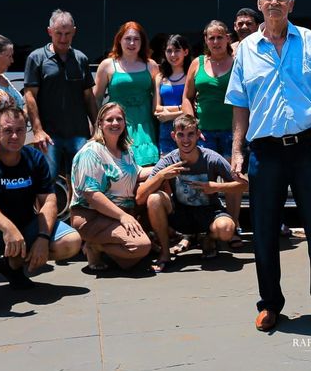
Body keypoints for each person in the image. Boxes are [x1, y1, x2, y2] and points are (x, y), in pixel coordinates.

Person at [225, 0, 311, 332]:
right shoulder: (245, 49)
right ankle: (270, 304)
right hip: (266, 150)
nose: (274, 2)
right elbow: (240, 104)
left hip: (309, 145)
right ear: (259, 4)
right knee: (263, 230)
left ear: (291, 5)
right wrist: (237, 150)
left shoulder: (310, 41)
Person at [0, 107, 81, 314]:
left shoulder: (34, 158)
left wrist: (42, 237)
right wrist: (7, 227)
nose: (14, 136)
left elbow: (48, 200)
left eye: (20, 130)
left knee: (71, 242)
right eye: (7, 130)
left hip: (23, 230)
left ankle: (12, 266)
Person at [137, 115, 247, 272]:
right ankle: (165, 252)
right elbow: (140, 197)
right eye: (181, 135)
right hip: (180, 213)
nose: (186, 140)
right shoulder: (168, 161)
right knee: (154, 199)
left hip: (209, 212)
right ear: (173, 136)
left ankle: (209, 238)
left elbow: (244, 185)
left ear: (198, 135)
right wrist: (162, 176)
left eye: (190, 134)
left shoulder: (212, 158)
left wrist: (216, 187)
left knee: (226, 229)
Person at [70, 102, 153, 270]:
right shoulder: (91, 152)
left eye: (119, 119)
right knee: (141, 246)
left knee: (131, 260)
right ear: (100, 123)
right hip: (92, 216)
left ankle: (107, 250)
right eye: (109, 119)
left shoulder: (125, 150)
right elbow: (92, 195)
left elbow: (137, 173)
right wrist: (123, 216)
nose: (115, 123)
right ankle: (94, 246)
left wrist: (165, 168)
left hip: (116, 214)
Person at [181, 20, 242, 249]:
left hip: (232, 132)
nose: (215, 42)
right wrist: (193, 127)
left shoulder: (237, 63)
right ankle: (204, 230)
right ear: (205, 40)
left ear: (228, 38)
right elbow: (187, 97)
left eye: (219, 37)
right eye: (211, 37)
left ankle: (233, 226)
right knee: (204, 183)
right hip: (204, 133)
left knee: (232, 181)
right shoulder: (197, 64)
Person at [23, 10, 97, 183]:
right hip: (49, 136)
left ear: (74, 32)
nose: (63, 39)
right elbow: (30, 96)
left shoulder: (81, 59)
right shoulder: (36, 58)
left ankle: (75, 212)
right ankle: (47, 211)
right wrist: (38, 130)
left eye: (67, 34)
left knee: (81, 182)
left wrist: (97, 127)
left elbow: (89, 97)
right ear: (49, 31)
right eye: (58, 33)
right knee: (47, 182)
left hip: (79, 134)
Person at [94, 21, 160, 166]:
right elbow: (97, 99)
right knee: (120, 168)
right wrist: (95, 128)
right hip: (117, 125)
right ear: (119, 40)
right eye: (127, 39)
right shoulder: (107, 65)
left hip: (146, 126)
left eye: (136, 39)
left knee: (149, 169)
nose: (132, 43)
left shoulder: (152, 65)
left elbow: (158, 100)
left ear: (142, 42)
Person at [154, 34, 192, 156]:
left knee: (189, 170)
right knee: (168, 170)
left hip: (188, 132)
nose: (173, 55)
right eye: (169, 51)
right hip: (166, 131)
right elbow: (157, 108)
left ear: (185, 52)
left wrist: (169, 115)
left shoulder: (191, 76)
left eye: (177, 51)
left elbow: (194, 108)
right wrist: (181, 109)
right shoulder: (160, 77)